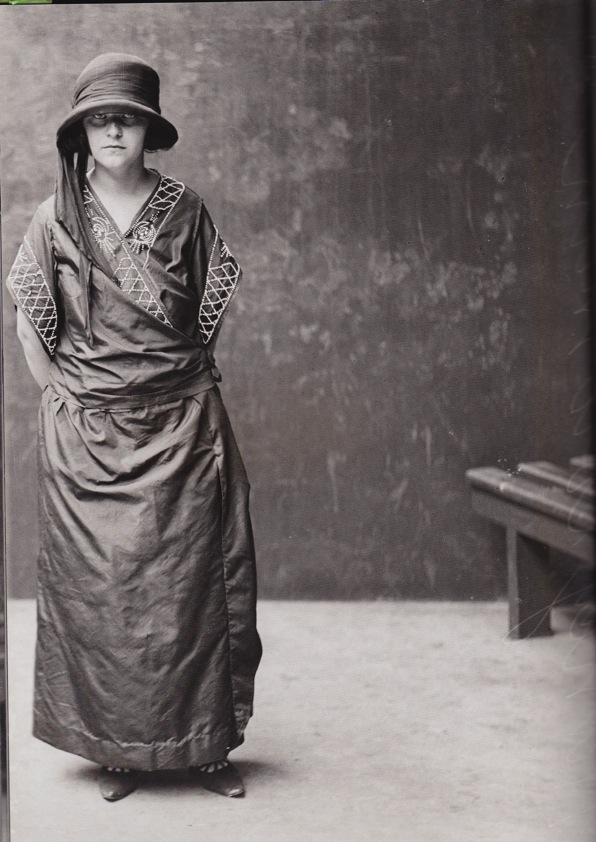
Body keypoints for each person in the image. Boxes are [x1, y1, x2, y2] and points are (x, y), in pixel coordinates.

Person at [5, 53, 262, 802]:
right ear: (81, 130)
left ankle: (205, 746)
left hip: (184, 429)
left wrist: (169, 389)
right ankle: (120, 751)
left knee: (197, 593)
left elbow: (206, 323)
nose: (113, 128)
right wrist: (69, 401)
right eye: (98, 117)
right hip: (89, 438)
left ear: (150, 128)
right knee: (109, 598)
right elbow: (30, 326)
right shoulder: (54, 216)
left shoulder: (188, 210)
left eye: (126, 116)